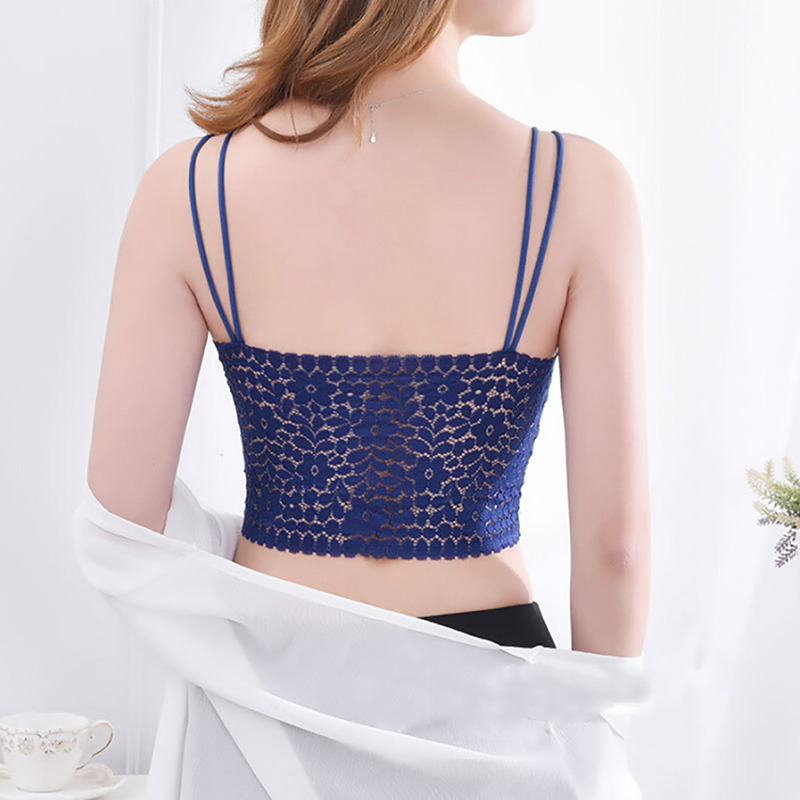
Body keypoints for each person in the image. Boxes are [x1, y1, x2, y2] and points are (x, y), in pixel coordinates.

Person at [77, 1, 651, 795]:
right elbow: (617, 549)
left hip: (263, 698)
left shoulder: (192, 185)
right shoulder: (578, 185)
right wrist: (600, 735)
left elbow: (124, 511)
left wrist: (258, 570)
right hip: (493, 708)